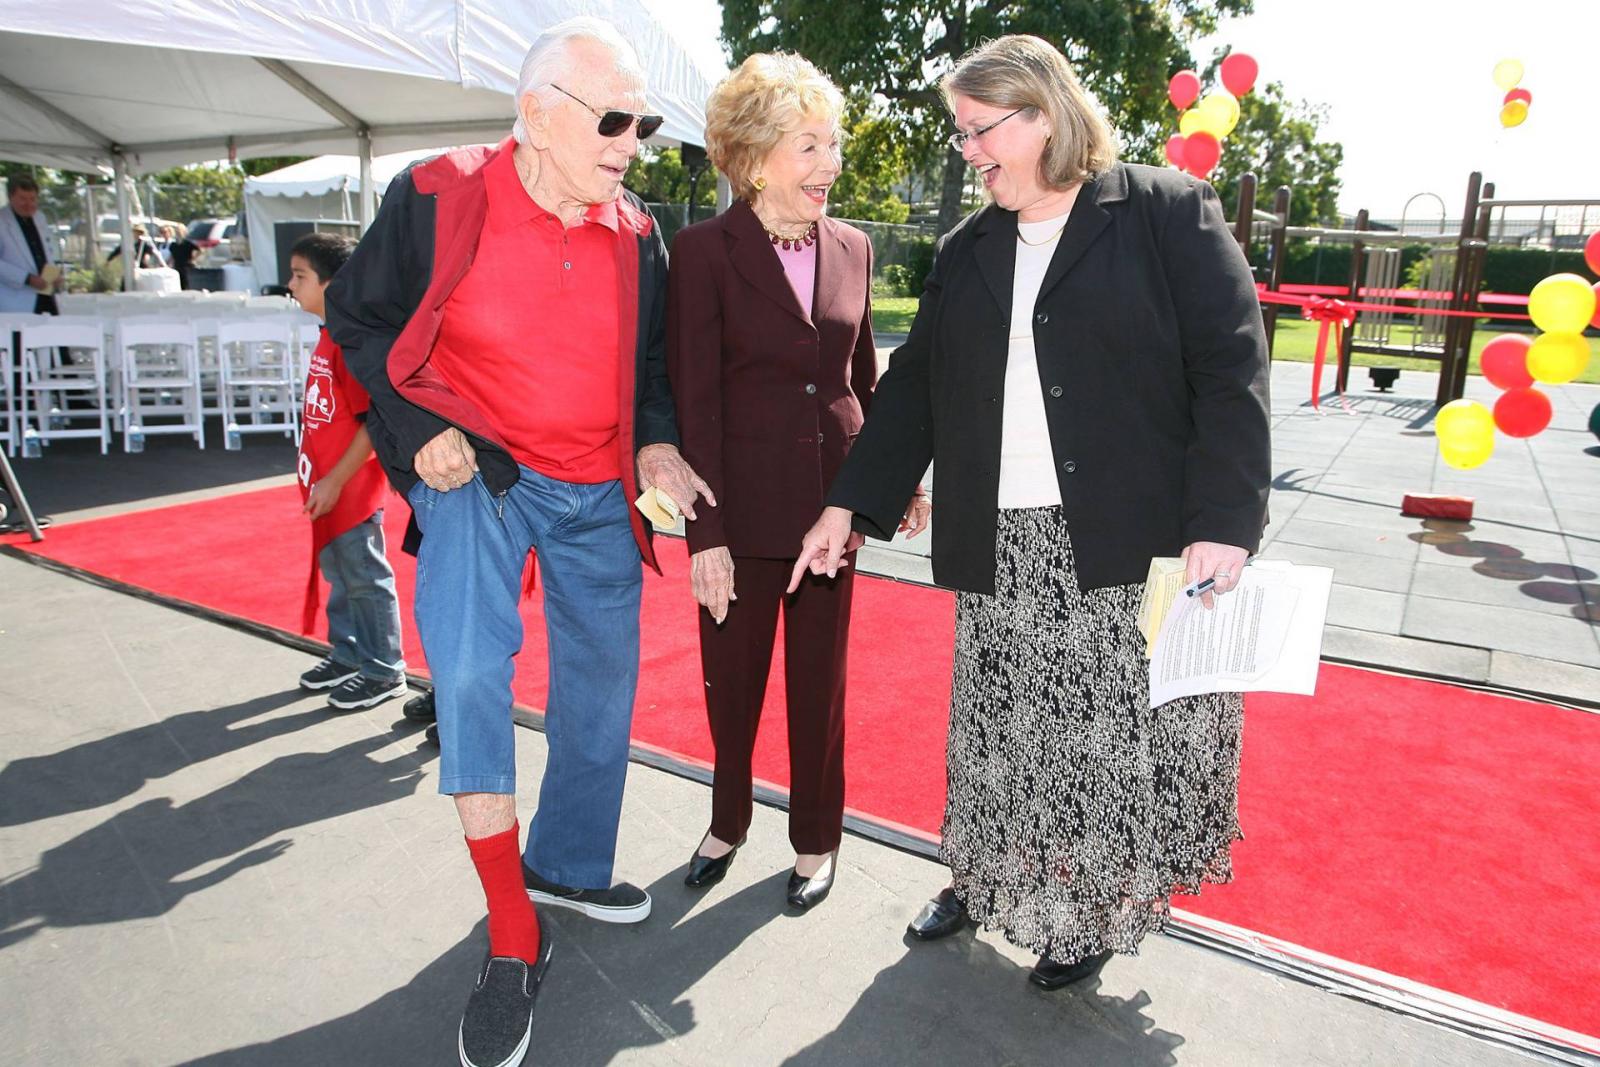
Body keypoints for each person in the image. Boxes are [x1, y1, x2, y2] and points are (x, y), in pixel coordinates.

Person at [792, 34, 1271, 991]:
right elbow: (916, 385)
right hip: (1000, 537)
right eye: (962, 133)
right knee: (998, 732)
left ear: (1043, 116)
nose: (968, 150)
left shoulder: (1165, 211)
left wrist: (1223, 518)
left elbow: (1231, 366)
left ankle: (1084, 910)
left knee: (1096, 746)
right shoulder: (969, 248)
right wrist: (847, 503)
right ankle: (983, 877)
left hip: (1121, 540)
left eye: (981, 130)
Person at [325, 17, 709, 1067]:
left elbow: (653, 371)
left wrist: (658, 443)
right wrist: (418, 427)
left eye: (644, 125)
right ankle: (511, 927)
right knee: (466, 670)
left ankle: (565, 866)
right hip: (481, 470)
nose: (633, 144)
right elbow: (357, 318)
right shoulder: (436, 193)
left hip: (597, 488)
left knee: (601, 684)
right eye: (615, 121)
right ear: (538, 114)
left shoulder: (638, 233)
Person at [666, 52, 928, 911]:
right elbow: (695, 403)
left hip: (832, 508)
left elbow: (863, 378)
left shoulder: (853, 245)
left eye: (833, 143)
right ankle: (727, 821)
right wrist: (704, 535)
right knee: (732, 684)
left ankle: (817, 838)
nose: (831, 163)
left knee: (821, 686)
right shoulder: (702, 252)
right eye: (809, 145)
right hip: (737, 513)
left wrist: (891, 479)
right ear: (754, 157)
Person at [286, 232, 407, 711]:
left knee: (363, 573)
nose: (291, 285)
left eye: (300, 276)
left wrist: (336, 479)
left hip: (352, 488)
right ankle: (350, 651)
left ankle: (383, 667)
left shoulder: (351, 342)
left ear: (332, 285)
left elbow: (372, 422)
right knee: (339, 569)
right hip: (328, 485)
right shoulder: (328, 334)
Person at [0, 176, 62, 314]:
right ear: (10, 197)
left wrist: (54, 274)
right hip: (14, 299)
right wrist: (26, 279)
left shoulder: (40, 217)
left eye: (32, 199)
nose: (29, 204)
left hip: (46, 295)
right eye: (23, 199)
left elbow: (47, 250)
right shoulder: (2, 221)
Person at [165, 223, 199, 289]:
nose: (178, 232)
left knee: (187, 285)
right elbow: (172, 256)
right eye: (177, 231)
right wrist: (167, 264)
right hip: (177, 267)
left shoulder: (188, 243)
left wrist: (193, 259)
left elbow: (199, 250)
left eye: (179, 230)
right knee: (179, 285)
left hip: (187, 267)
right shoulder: (173, 245)